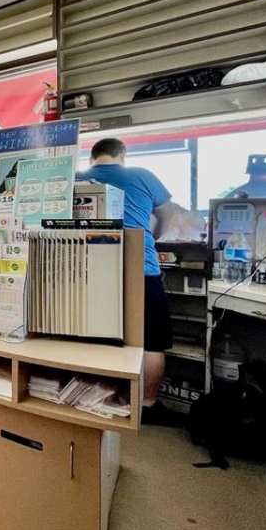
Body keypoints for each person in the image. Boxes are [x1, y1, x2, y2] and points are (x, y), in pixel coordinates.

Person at [75, 138, 180, 426]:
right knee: (152, 341)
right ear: (122, 156)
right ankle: (148, 405)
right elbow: (167, 214)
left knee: (97, 337)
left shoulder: (77, 178)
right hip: (141, 267)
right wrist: (150, 237)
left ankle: (96, 397)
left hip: (91, 269)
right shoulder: (142, 175)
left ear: (92, 158)